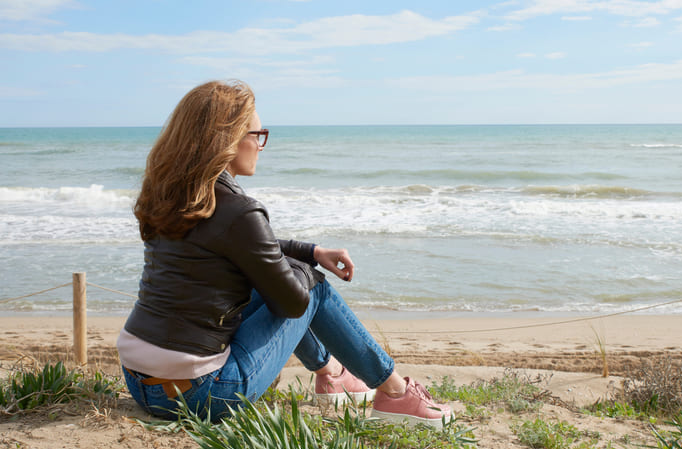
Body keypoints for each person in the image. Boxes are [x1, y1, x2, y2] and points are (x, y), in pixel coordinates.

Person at [117, 80, 451, 428]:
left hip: (140, 383)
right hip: (202, 397)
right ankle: (395, 392)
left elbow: (242, 248)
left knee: (278, 276)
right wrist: (308, 272)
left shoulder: (171, 196)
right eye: (257, 134)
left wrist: (310, 251)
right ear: (227, 139)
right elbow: (294, 305)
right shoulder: (240, 211)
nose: (261, 145)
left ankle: (332, 372)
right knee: (312, 290)